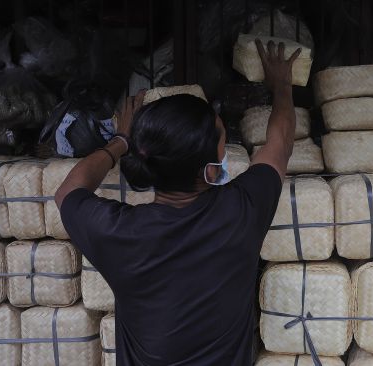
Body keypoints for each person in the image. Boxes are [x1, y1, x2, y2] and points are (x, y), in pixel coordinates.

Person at [55, 40, 301, 366]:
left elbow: (68, 190)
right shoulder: (240, 212)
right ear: (210, 168)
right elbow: (280, 142)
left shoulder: (119, 232)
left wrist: (120, 141)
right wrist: (281, 87)